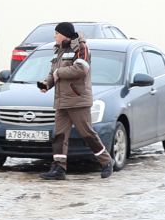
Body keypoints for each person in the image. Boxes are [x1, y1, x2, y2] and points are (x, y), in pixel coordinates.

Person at [37, 21, 112, 181]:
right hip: (62, 101)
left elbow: (81, 69)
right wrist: (47, 84)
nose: (54, 36)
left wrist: (59, 72)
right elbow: (53, 72)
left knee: (87, 134)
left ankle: (106, 162)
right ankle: (59, 168)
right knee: (59, 135)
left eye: (56, 33)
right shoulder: (59, 50)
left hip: (78, 100)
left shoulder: (81, 47)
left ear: (64, 34)